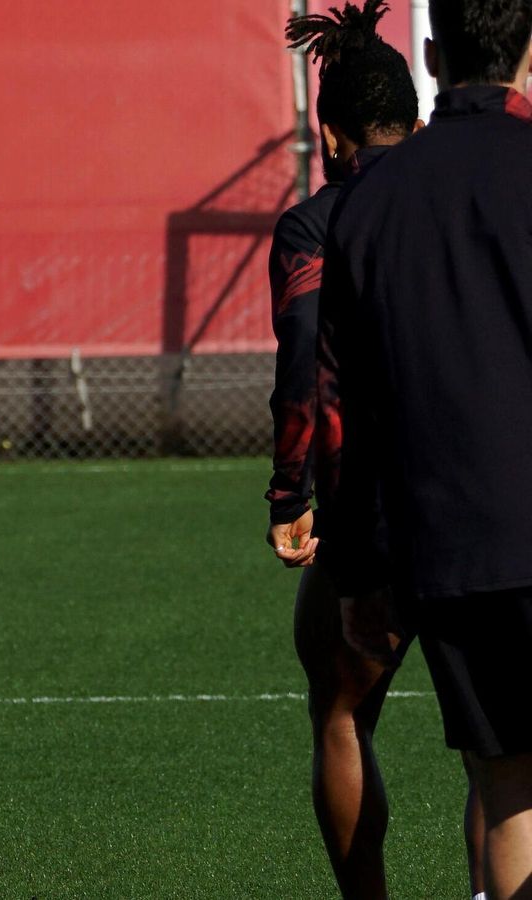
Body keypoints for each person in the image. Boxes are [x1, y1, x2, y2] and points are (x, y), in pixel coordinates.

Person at [267, 4, 485, 898]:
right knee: (496, 740)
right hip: (481, 496)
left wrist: (291, 498)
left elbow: (302, 374)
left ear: (329, 132)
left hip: (376, 509)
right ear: (417, 118)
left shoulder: (319, 224)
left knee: (344, 710)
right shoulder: (466, 194)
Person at [317, 0, 532, 896]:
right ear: (528, 47)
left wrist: (359, 566)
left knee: (508, 778)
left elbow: (352, 405)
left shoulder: (373, 202)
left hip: (452, 541)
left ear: (434, 53)